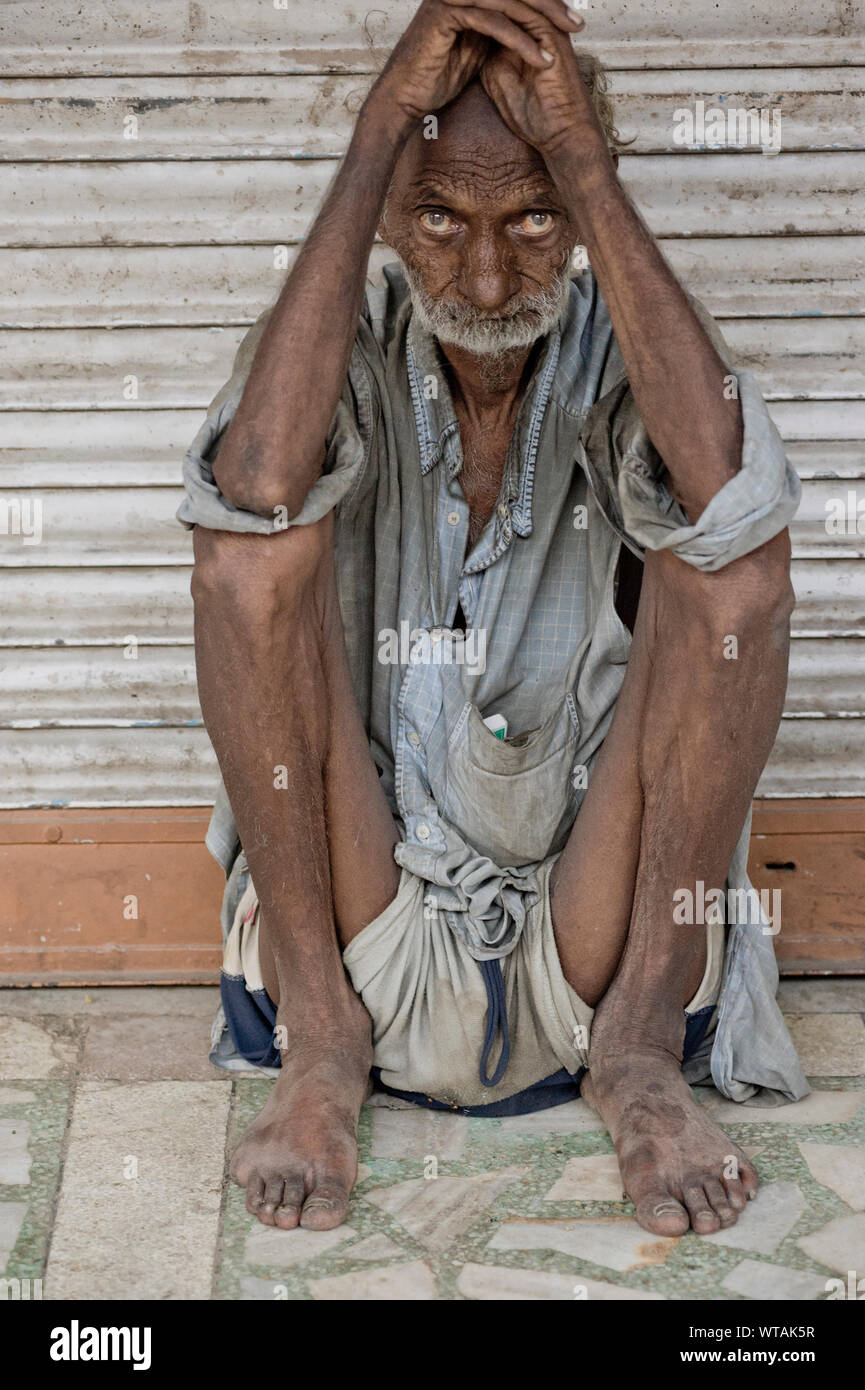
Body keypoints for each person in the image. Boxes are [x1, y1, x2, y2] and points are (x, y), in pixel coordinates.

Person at [179, 0, 807, 1240]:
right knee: (251, 559)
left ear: (575, 216)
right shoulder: (345, 338)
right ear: (388, 221)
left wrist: (583, 157)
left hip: (600, 927)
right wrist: (372, 139)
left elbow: (731, 501)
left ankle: (637, 1054)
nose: (481, 274)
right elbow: (249, 492)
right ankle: (317, 1051)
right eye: (433, 216)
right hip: (362, 917)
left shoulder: (627, 350)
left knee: (731, 565)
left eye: (529, 218)